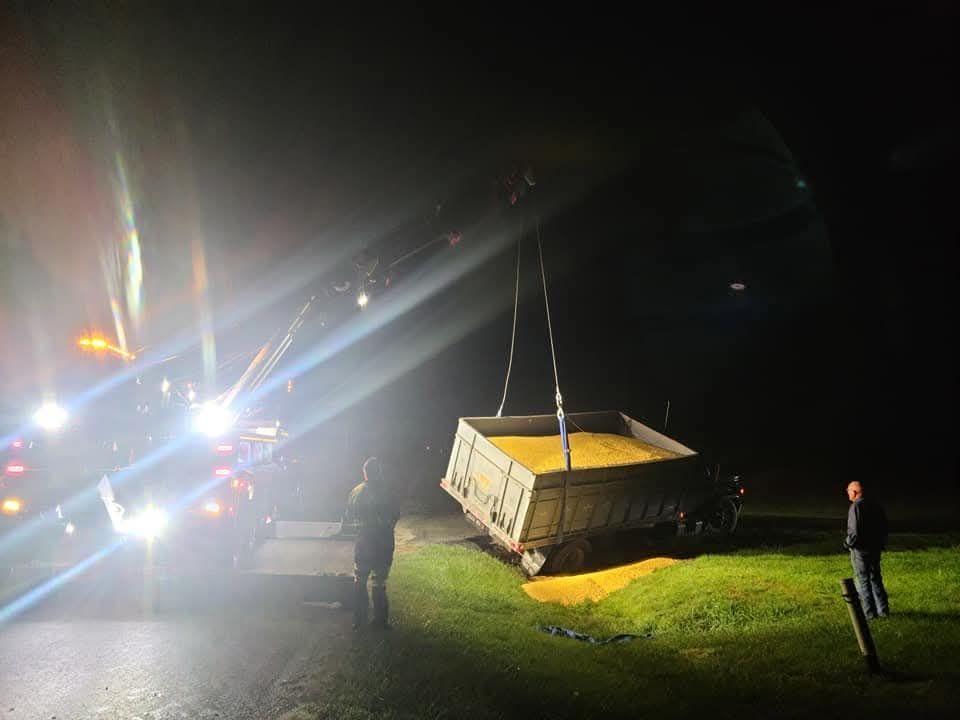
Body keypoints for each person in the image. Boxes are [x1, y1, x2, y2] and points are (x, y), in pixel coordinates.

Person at [345, 456, 398, 630]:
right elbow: (395, 515)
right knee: (379, 582)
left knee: (359, 580)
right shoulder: (388, 491)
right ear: (380, 472)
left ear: (365, 472)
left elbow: (349, 516)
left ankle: (358, 619)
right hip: (383, 542)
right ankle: (380, 621)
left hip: (363, 542)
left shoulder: (355, 492)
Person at [844, 481, 889, 619]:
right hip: (875, 548)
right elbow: (884, 526)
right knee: (875, 578)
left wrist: (847, 543)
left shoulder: (856, 507)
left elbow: (855, 532)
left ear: (855, 492)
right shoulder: (876, 505)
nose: (848, 493)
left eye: (848, 491)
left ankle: (869, 613)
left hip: (861, 550)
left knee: (863, 580)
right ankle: (883, 610)